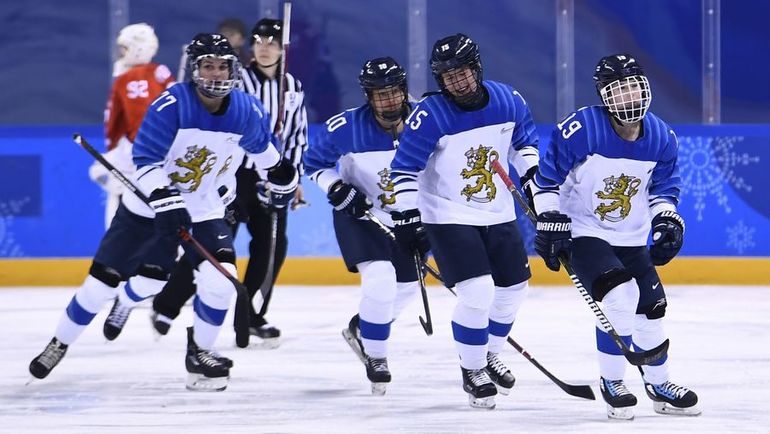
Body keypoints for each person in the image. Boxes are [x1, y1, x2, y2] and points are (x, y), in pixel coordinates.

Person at [28, 33, 298, 392]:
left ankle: (200, 353)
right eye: (208, 66)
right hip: (147, 207)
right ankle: (60, 342)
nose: (216, 74)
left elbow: (263, 152)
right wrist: (167, 201)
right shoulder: (171, 104)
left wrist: (281, 175)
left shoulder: (246, 109)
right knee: (100, 285)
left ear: (232, 69)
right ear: (195, 70)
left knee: (220, 281)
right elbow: (146, 160)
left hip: (203, 209)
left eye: (222, 66)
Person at [531, 53, 700, 419]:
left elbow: (663, 190)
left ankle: (659, 384)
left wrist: (667, 220)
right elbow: (546, 182)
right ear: (604, 96)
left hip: (631, 236)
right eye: (618, 91)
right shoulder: (581, 129)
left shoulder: (661, 137)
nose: (628, 97)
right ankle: (613, 382)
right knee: (620, 297)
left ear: (645, 89)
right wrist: (549, 218)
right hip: (584, 231)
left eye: (633, 88)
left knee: (651, 310)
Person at [388, 34, 539, 409]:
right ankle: (472, 371)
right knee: (477, 292)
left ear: (477, 68)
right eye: (447, 75)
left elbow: (524, 144)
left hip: (498, 211)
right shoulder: (430, 115)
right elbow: (404, 169)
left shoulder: (508, 99)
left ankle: (489, 354)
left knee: (514, 289)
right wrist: (406, 216)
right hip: (447, 214)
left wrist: (533, 179)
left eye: (462, 72)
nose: (456, 81)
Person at [149, 18, 308, 348]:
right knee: (213, 246)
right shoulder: (236, 78)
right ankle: (167, 305)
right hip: (233, 175)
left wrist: (292, 177)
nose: (265, 48)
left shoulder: (292, 86)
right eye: (259, 41)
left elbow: (296, 135)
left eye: (272, 42)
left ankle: (250, 316)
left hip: (271, 176)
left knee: (271, 248)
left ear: (282, 49)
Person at [304, 57, 420, 395]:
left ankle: (364, 327)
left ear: (404, 91)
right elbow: (313, 163)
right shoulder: (346, 127)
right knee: (380, 278)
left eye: (394, 92)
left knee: (407, 287)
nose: (389, 100)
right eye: (380, 94)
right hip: (360, 214)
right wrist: (336, 187)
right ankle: (377, 356)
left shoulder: (426, 122)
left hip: (407, 219)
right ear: (368, 97)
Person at [90, 23, 174, 228]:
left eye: (125, 48)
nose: (121, 53)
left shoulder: (124, 79)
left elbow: (114, 122)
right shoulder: (161, 72)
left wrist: (113, 145)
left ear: (138, 48)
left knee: (100, 171)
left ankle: (121, 204)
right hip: (165, 150)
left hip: (133, 151)